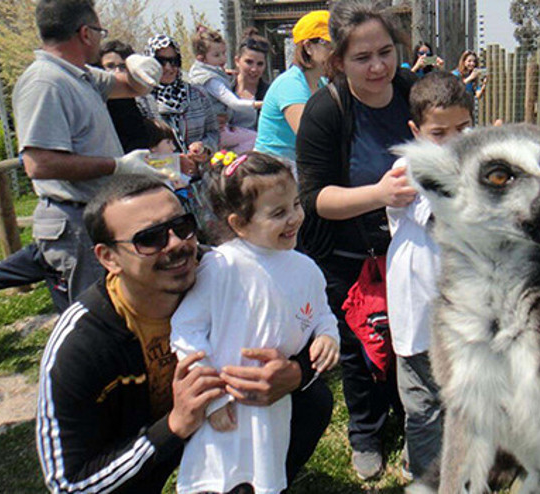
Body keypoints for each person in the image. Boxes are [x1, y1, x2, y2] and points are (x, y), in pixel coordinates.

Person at [36, 175, 335, 493]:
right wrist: (174, 426)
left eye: (182, 226)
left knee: (312, 402)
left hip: (228, 418)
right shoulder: (83, 343)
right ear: (108, 258)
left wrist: (298, 372)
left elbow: (307, 319)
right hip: (147, 443)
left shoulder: (227, 270)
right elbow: (69, 484)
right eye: (149, 238)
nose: (176, 243)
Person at [295, 0, 417, 480]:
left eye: (386, 52)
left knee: (412, 341)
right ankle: (365, 432)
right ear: (338, 62)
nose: (378, 66)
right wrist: (380, 193)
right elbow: (315, 199)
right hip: (349, 254)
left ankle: (413, 423)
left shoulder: (411, 91)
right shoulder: (326, 112)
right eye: (362, 58)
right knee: (362, 349)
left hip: (409, 248)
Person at [170, 152, 340, 494]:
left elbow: (321, 311)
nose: (293, 218)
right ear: (238, 224)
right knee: (220, 480)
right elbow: (186, 330)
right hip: (226, 408)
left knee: (265, 475)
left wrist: (327, 335)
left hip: (272, 404)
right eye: (278, 213)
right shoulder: (222, 267)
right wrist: (212, 398)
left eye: (295, 204)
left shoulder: (304, 267)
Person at [13, 0, 166, 304]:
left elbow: (133, 86)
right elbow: (38, 164)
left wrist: (139, 65)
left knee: (115, 308)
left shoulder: (80, 76)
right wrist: (116, 166)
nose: (100, 38)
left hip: (95, 215)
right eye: (99, 31)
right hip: (73, 222)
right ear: (85, 33)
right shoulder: (45, 82)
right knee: (90, 317)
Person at [385, 71, 473, 482]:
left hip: (465, 313)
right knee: (424, 407)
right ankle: (424, 476)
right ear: (415, 132)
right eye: (440, 133)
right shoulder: (411, 168)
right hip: (420, 314)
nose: (454, 141)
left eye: (464, 129)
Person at [254, 10, 332, 163]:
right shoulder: (290, 84)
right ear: (308, 47)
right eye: (330, 45)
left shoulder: (322, 84)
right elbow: (311, 137)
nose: (337, 52)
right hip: (273, 170)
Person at [144, 34, 219, 174]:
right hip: (161, 178)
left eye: (174, 61)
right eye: (161, 61)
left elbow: (213, 132)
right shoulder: (143, 99)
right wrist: (175, 161)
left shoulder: (198, 94)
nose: (168, 67)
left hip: (200, 177)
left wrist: (205, 149)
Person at [187, 25, 257, 154]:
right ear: (201, 58)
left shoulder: (199, 73)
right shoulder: (210, 80)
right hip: (217, 130)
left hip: (212, 127)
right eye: (216, 55)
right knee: (253, 139)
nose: (223, 59)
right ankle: (231, 163)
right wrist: (258, 104)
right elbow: (233, 102)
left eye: (224, 53)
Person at [98, 40, 152, 152]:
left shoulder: (144, 101)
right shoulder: (94, 102)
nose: (117, 71)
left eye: (122, 66)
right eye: (110, 66)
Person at [233, 28, 271, 130]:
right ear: (237, 61)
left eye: (260, 64)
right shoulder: (223, 88)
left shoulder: (270, 93)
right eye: (249, 62)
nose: (254, 69)